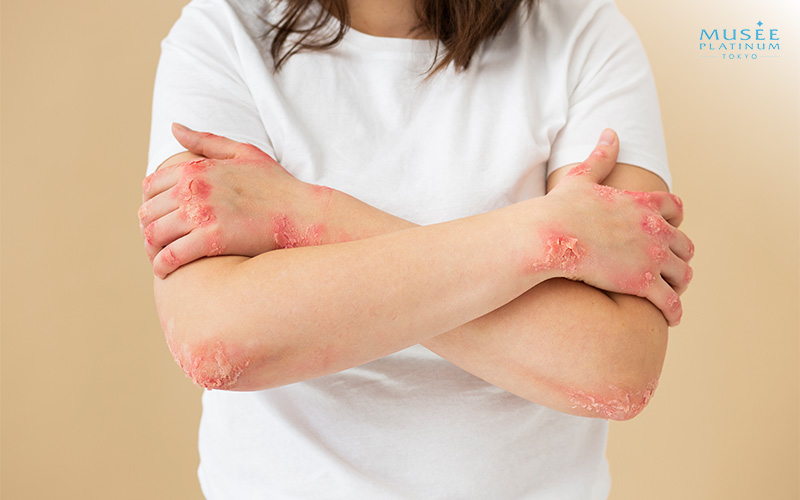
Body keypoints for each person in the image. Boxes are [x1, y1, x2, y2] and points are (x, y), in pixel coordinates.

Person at [139, 0, 694, 497]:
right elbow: (218, 338)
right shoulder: (223, 30)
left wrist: (307, 215)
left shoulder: (584, 32)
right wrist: (545, 236)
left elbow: (614, 368)